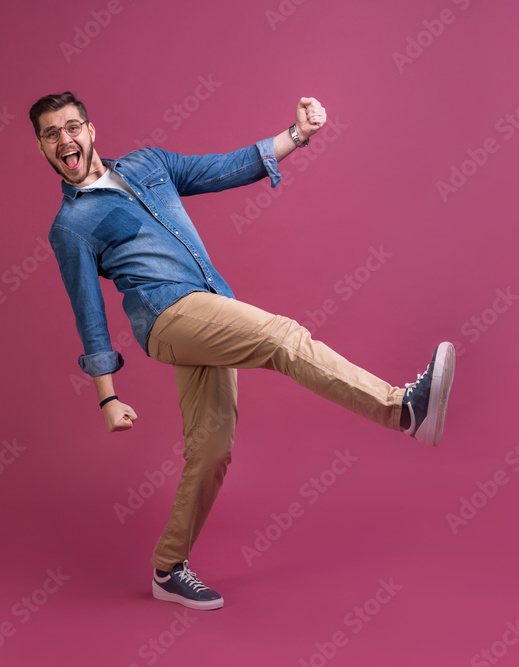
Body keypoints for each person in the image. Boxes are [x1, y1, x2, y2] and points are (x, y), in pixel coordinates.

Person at [31, 91, 455, 611]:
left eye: (71, 127)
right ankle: (404, 408)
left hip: (208, 308)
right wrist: (107, 398)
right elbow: (88, 314)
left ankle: (168, 568)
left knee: (211, 450)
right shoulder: (70, 228)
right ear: (43, 147)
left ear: (91, 129)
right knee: (283, 338)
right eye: (51, 134)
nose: (64, 140)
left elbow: (222, 168)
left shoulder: (149, 164)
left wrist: (297, 135)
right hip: (167, 317)